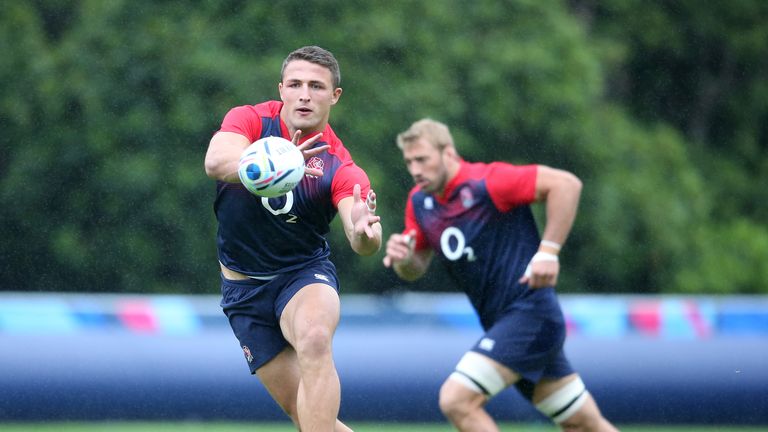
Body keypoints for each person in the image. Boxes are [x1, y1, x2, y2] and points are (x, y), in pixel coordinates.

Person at [383, 119, 618, 432]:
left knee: (456, 400)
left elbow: (566, 185)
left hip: (531, 315)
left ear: (448, 153)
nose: (415, 169)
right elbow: (415, 268)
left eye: (422, 159)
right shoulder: (420, 202)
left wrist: (548, 252)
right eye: (409, 162)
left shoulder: (487, 182)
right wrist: (404, 258)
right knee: (583, 424)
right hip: (504, 323)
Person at [204, 45, 382, 432]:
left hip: (302, 276)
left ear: (334, 96)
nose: (304, 95)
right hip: (244, 291)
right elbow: (216, 161)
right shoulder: (251, 120)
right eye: (296, 84)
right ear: (281, 89)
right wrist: (275, 164)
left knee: (315, 338)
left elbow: (362, 236)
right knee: (311, 419)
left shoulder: (339, 164)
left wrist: (365, 231)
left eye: (316, 86)